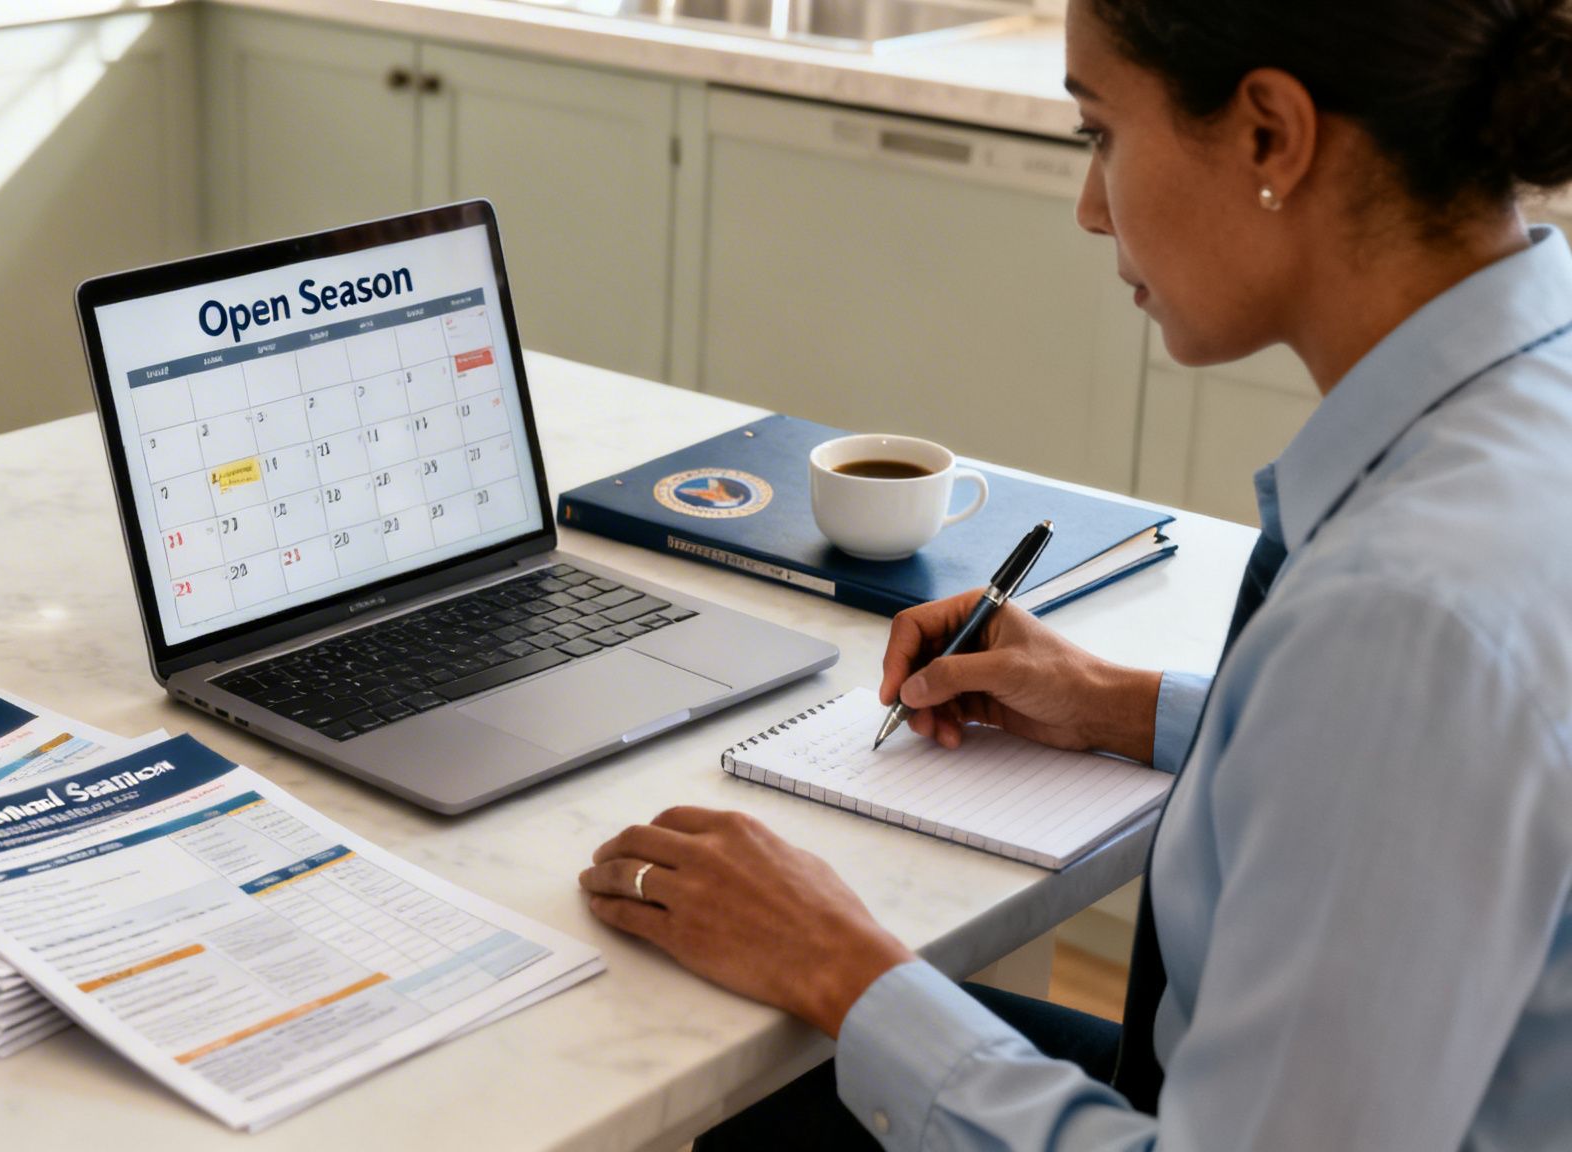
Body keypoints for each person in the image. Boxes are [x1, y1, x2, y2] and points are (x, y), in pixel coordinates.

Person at [578, 0, 1572, 1147]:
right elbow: (1409, 785)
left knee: (737, 1079)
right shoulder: (1519, 408)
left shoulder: (1403, 625)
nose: (1090, 207)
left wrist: (832, 960)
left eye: (1097, 132)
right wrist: (1118, 705)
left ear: (1268, 136)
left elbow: (1403, 705)